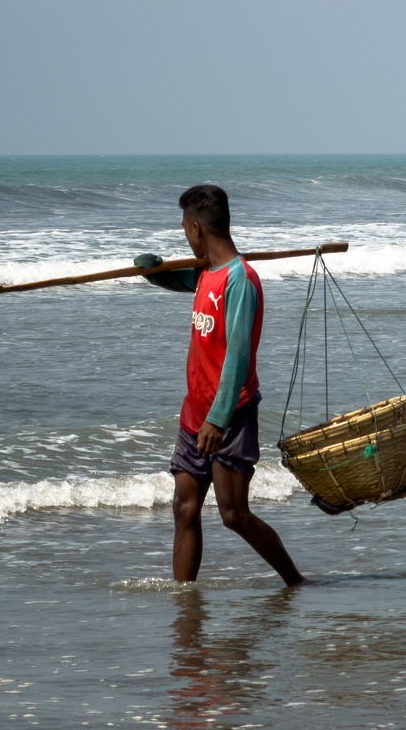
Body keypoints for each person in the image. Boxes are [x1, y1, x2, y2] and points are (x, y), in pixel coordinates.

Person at [135, 184, 303, 586]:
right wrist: (154, 273)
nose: (184, 236)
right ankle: (184, 602)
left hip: (229, 414)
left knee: (233, 514)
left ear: (196, 228)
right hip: (194, 412)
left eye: (183, 229)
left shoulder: (240, 281)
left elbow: (239, 356)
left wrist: (218, 418)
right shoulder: (207, 273)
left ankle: (295, 582)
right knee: (185, 508)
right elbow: (185, 281)